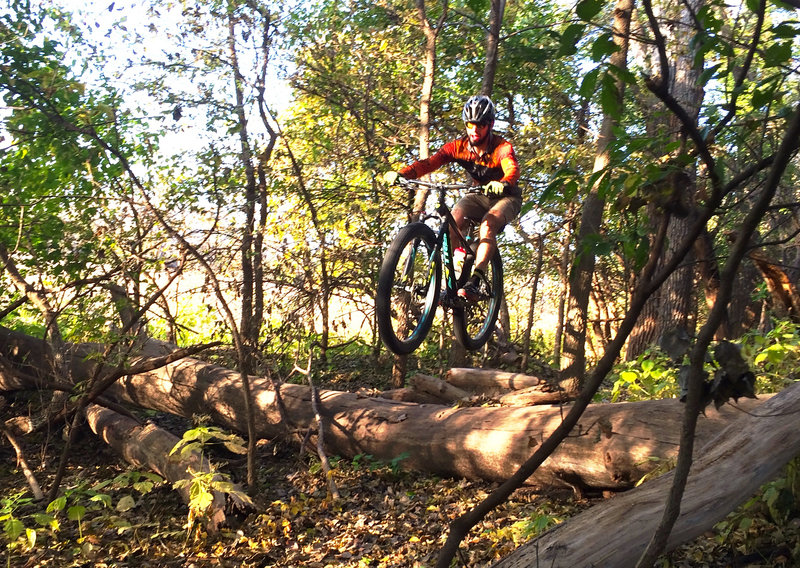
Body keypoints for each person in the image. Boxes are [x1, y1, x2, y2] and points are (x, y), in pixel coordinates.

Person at [384, 95, 521, 302]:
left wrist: (503, 183)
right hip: (478, 194)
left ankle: (475, 281)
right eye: (470, 124)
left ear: (490, 124)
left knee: (488, 223)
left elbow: (512, 169)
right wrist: (402, 174)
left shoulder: (502, 147)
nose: (474, 130)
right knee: (453, 221)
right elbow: (429, 163)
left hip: (506, 196)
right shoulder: (458, 147)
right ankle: (450, 282)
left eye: (481, 125)